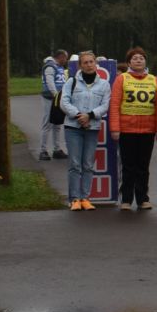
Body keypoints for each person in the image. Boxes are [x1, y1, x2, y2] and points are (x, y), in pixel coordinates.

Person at [113, 48, 157, 211]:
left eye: (141, 58)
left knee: (143, 166)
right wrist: (115, 128)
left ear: (145, 62)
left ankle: (143, 199)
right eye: (135, 58)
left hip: (147, 130)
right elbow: (114, 105)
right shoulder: (121, 79)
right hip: (127, 129)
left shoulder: (154, 80)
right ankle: (126, 199)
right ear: (129, 63)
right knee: (128, 166)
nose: (138, 60)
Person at [60, 50, 109, 211]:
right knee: (75, 164)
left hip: (92, 128)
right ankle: (74, 199)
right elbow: (64, 102)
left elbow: (105, 105)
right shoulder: (71, 82)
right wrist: (79, 116)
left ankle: (85, 197)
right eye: (85, 62)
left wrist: (90, 116)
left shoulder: (104, 84)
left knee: (88, 164)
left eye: (91, 62)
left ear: (96, 63)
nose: (89, 65)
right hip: (73, 127)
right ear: (80, 65)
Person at [39, 49, 70, 159]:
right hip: (50, 98)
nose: (66, 60)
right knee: (47, 123)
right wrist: (55, 95)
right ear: (61, 57)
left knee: (57, 123)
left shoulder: (60, 67)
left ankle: (57, 149)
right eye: (65, 58)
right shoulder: (50, 66)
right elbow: (50, 81)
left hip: (58, 98)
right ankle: (43, 151)